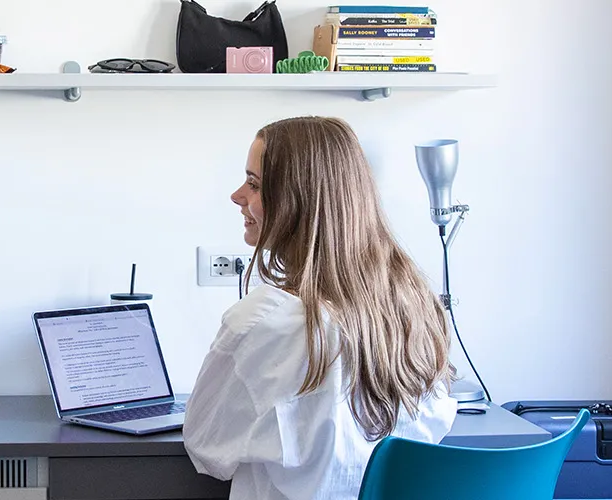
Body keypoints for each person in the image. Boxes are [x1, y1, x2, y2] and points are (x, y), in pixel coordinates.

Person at [183, 116, 460, 499]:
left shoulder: (267, 320)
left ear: (296, 203)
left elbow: (205, 447)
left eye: (255, 184)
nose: (237, 196)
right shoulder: (413, 306)